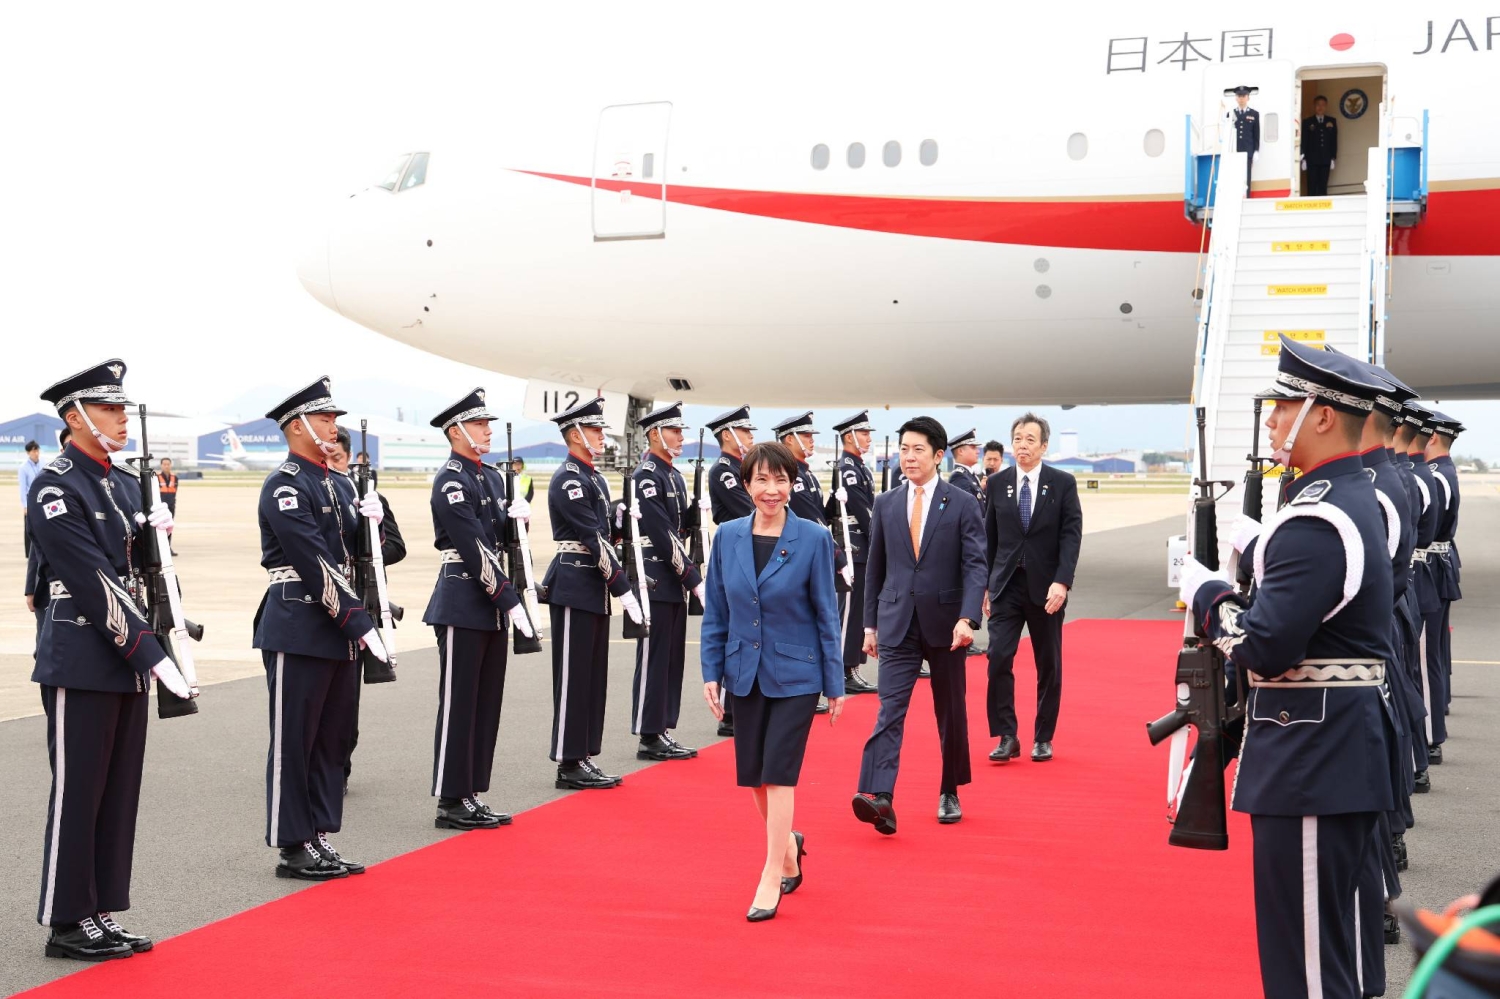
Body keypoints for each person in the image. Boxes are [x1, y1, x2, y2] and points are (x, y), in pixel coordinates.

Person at [1178, 336, 1398, 999]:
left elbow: (1264, 645)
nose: (1272, 421)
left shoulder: (1317, 517)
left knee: (1305, 967)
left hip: (1310, 755)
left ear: (1322, 414)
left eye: (1282, 406)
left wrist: (1208, 593)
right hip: (1336, 748)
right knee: (1342, 953)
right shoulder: (1350, 498)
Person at [28, 359, 189, 961]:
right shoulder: (56, 484)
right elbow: (90, 579)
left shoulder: (125, 484)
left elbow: (149, 575)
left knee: (118, 789)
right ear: (75, 418)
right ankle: (66, 918)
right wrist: (151, 654)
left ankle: (99, 908)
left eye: (122, 408)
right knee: (80, 789)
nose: (121, 419)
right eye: (109, 409)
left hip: (127, 654)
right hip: (84, 652)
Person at [699, 441, 845, 921]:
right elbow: (717, 611)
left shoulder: (814, 538)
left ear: (792, 485)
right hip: (744, 669)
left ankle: (769, 872)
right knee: (755, 778)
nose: (772, 489)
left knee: (779, 773)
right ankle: (788, 846)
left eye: (780, 480)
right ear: (746, 486)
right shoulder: (727, 536)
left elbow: (827, 612)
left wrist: (834, 682)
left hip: (797, 673)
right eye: (762, 480)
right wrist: (711, 672)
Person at [254, 377, 386, 881]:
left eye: (333, 419)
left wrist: (374, 517)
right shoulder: (285, 484)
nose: (334, 427)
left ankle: (320, 834)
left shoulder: (336, 482)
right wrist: (359, 622)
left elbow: (362, 556)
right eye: (325, 419)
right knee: (296, 740)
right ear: (297, 426)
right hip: (299, 622)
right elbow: (313, 561)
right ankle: (293, 844)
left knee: (332, 738)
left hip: (337, 626)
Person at [852, 416, 986, 831]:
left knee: (950, 712)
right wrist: (869, 625)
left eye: (918, 450)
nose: (908, 457)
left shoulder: (961, 503)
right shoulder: (886, 502)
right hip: (895, 624)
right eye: (904, 449)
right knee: (890, 710)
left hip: (947, 627)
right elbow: (876, 568)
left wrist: (968, 618)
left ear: (938, 456)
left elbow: (975, 565)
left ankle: (949, 790)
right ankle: (880, 796)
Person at [423, 388, 534, 829]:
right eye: (479, 424)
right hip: (463, 601)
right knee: (459, 703)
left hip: (490, 603)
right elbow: (472, 549)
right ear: (456, 431)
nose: (488, 430)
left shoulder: (489, 477)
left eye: (489, 423)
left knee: (486, 702)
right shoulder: (452, 479)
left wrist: (520, 516)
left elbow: (504, 541)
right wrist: (512, 602)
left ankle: (471, 791)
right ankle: (451, 798)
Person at [542, 396, 642, 789]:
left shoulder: (594, 478)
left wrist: (618, 521)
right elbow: (589, 537)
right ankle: (568, 761)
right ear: (575, 434)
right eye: (595, 429)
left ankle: (583, 754)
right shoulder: (568, 478)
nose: (602, 436)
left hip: (593, 585)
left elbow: (603, 533)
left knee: (592, 676)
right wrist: (623, 588)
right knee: (572, 677)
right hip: (573, 584)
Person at [983, 413, 1082, 764]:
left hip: (1046, 588)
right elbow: (989, 539)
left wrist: (1063, 581)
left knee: (1048, 664)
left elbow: (1071, 536)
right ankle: (1007, 734)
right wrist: (984, 587)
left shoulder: (1062, 483)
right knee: (997, 658)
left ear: (1043, 446)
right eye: (1018, 439)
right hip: (1006, 586)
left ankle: (1043, 736)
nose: (1022, 445)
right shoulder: (996, 484)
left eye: (1030, 439)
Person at [330, 427, 406, 794]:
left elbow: (396, 547)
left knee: (347, 700)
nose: (332, 464)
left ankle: (339, 767)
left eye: (338, 459)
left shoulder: (370, 496)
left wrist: (370, 545)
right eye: (327, 458)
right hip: (323, 603)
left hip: (358, 604)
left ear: (350, 459)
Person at [627, 401, 704, 761]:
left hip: (672, 577)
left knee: (673, 658)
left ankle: (663, 728)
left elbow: (679, 528)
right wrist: (692, 576)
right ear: (655, 434)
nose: (681, 437)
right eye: (674, 431)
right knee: (656, 657)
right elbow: (659, 532)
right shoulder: (647, 474)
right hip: (656, 575)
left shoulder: (672, 474)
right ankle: (648, 731)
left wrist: (695, 514)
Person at [706, 405, 758, 737]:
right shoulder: (726, 470)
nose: (751, 437)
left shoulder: (740, 468)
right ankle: (729, 711)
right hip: (735, 551)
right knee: (733, 631)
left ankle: (740, 706)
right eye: (745, 431)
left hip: (747, 551)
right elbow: (750, 509)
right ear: (728, 435)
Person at [825, 411, 878, 694]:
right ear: (850, 436)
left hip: (862, 546)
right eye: (864, 433)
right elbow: (862, 509)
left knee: (860, 609)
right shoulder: (847, 467)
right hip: (853, 545)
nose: (868, 438)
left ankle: (852, 667)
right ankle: (846, 669)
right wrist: (881, 538)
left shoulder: (859, 466)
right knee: (852, 612)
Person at [1425, 412, 1464, 719]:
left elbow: (1426, 531)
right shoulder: (1443, 471)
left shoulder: (1436, 475)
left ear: (1433, 437)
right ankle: (1440, 708)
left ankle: (1432, 730)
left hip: (1432, 565)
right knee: (1435, 650)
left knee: (1428, 657)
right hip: (1440, 562)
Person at [1302, 94, 1338, 197]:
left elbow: (1334, 140)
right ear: (1314, 106)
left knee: (1323, 186)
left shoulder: (1332, 121)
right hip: (1311, 160)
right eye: (1318, 105)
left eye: (1323, 105)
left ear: (1326, 106)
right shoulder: (1307, 122)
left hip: (1326, 159)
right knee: (1312, 186)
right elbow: (1304, 139)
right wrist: (1303, 157)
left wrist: (1333, 157)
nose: (1320, 107)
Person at [1228, 85, 1260, 196]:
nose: (1241, 98)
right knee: (1235, 176)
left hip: (1248, 151)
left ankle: (1247, 198)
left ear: (1248, 98)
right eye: (1239, 96)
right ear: (1236, 98)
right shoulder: (1231, 114)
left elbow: (1256, 134)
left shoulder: (1254, 114)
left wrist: (1256, 150)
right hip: (1235, 151)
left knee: (1247, 176)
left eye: (1244, 96)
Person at [947, 429, 985, 504]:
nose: (978, 451)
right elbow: (968, 509)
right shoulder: (958, 477)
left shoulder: (969, 475)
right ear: (961, 451)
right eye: (973, 447)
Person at [20, 439, 42, 556]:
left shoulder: (43, 463)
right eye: (33, 451)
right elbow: (23, 488)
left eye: (37, 450)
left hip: (42, 497)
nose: (36, 453)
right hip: (30, 499)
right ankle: (29, 553)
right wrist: (25, 506)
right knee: (29, 527)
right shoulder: (23, 468)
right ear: (28, 453)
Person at [155, 458, 179, 555]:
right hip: (160, 508)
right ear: (161, 465)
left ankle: (168, 548)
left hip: (171, 506)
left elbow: (175, 491)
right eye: (164, 464)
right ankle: (159, 549)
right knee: (159, 528)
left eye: (168, 464)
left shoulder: (175, 478)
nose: (166, 466)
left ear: (170, 465)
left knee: (169, 528)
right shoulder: (156, 478)